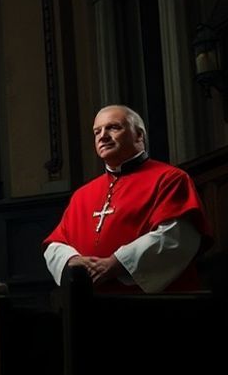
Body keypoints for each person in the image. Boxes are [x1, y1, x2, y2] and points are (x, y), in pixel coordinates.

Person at [42, 105, 212, 293]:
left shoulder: (170, 179)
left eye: (113, 127)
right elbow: (56, 244)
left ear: (139, 135)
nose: (103, 136)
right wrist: (72, 261)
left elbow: (177, 236)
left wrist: (117, 264)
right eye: (97, 131)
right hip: (91, 303)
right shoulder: (82, 195)